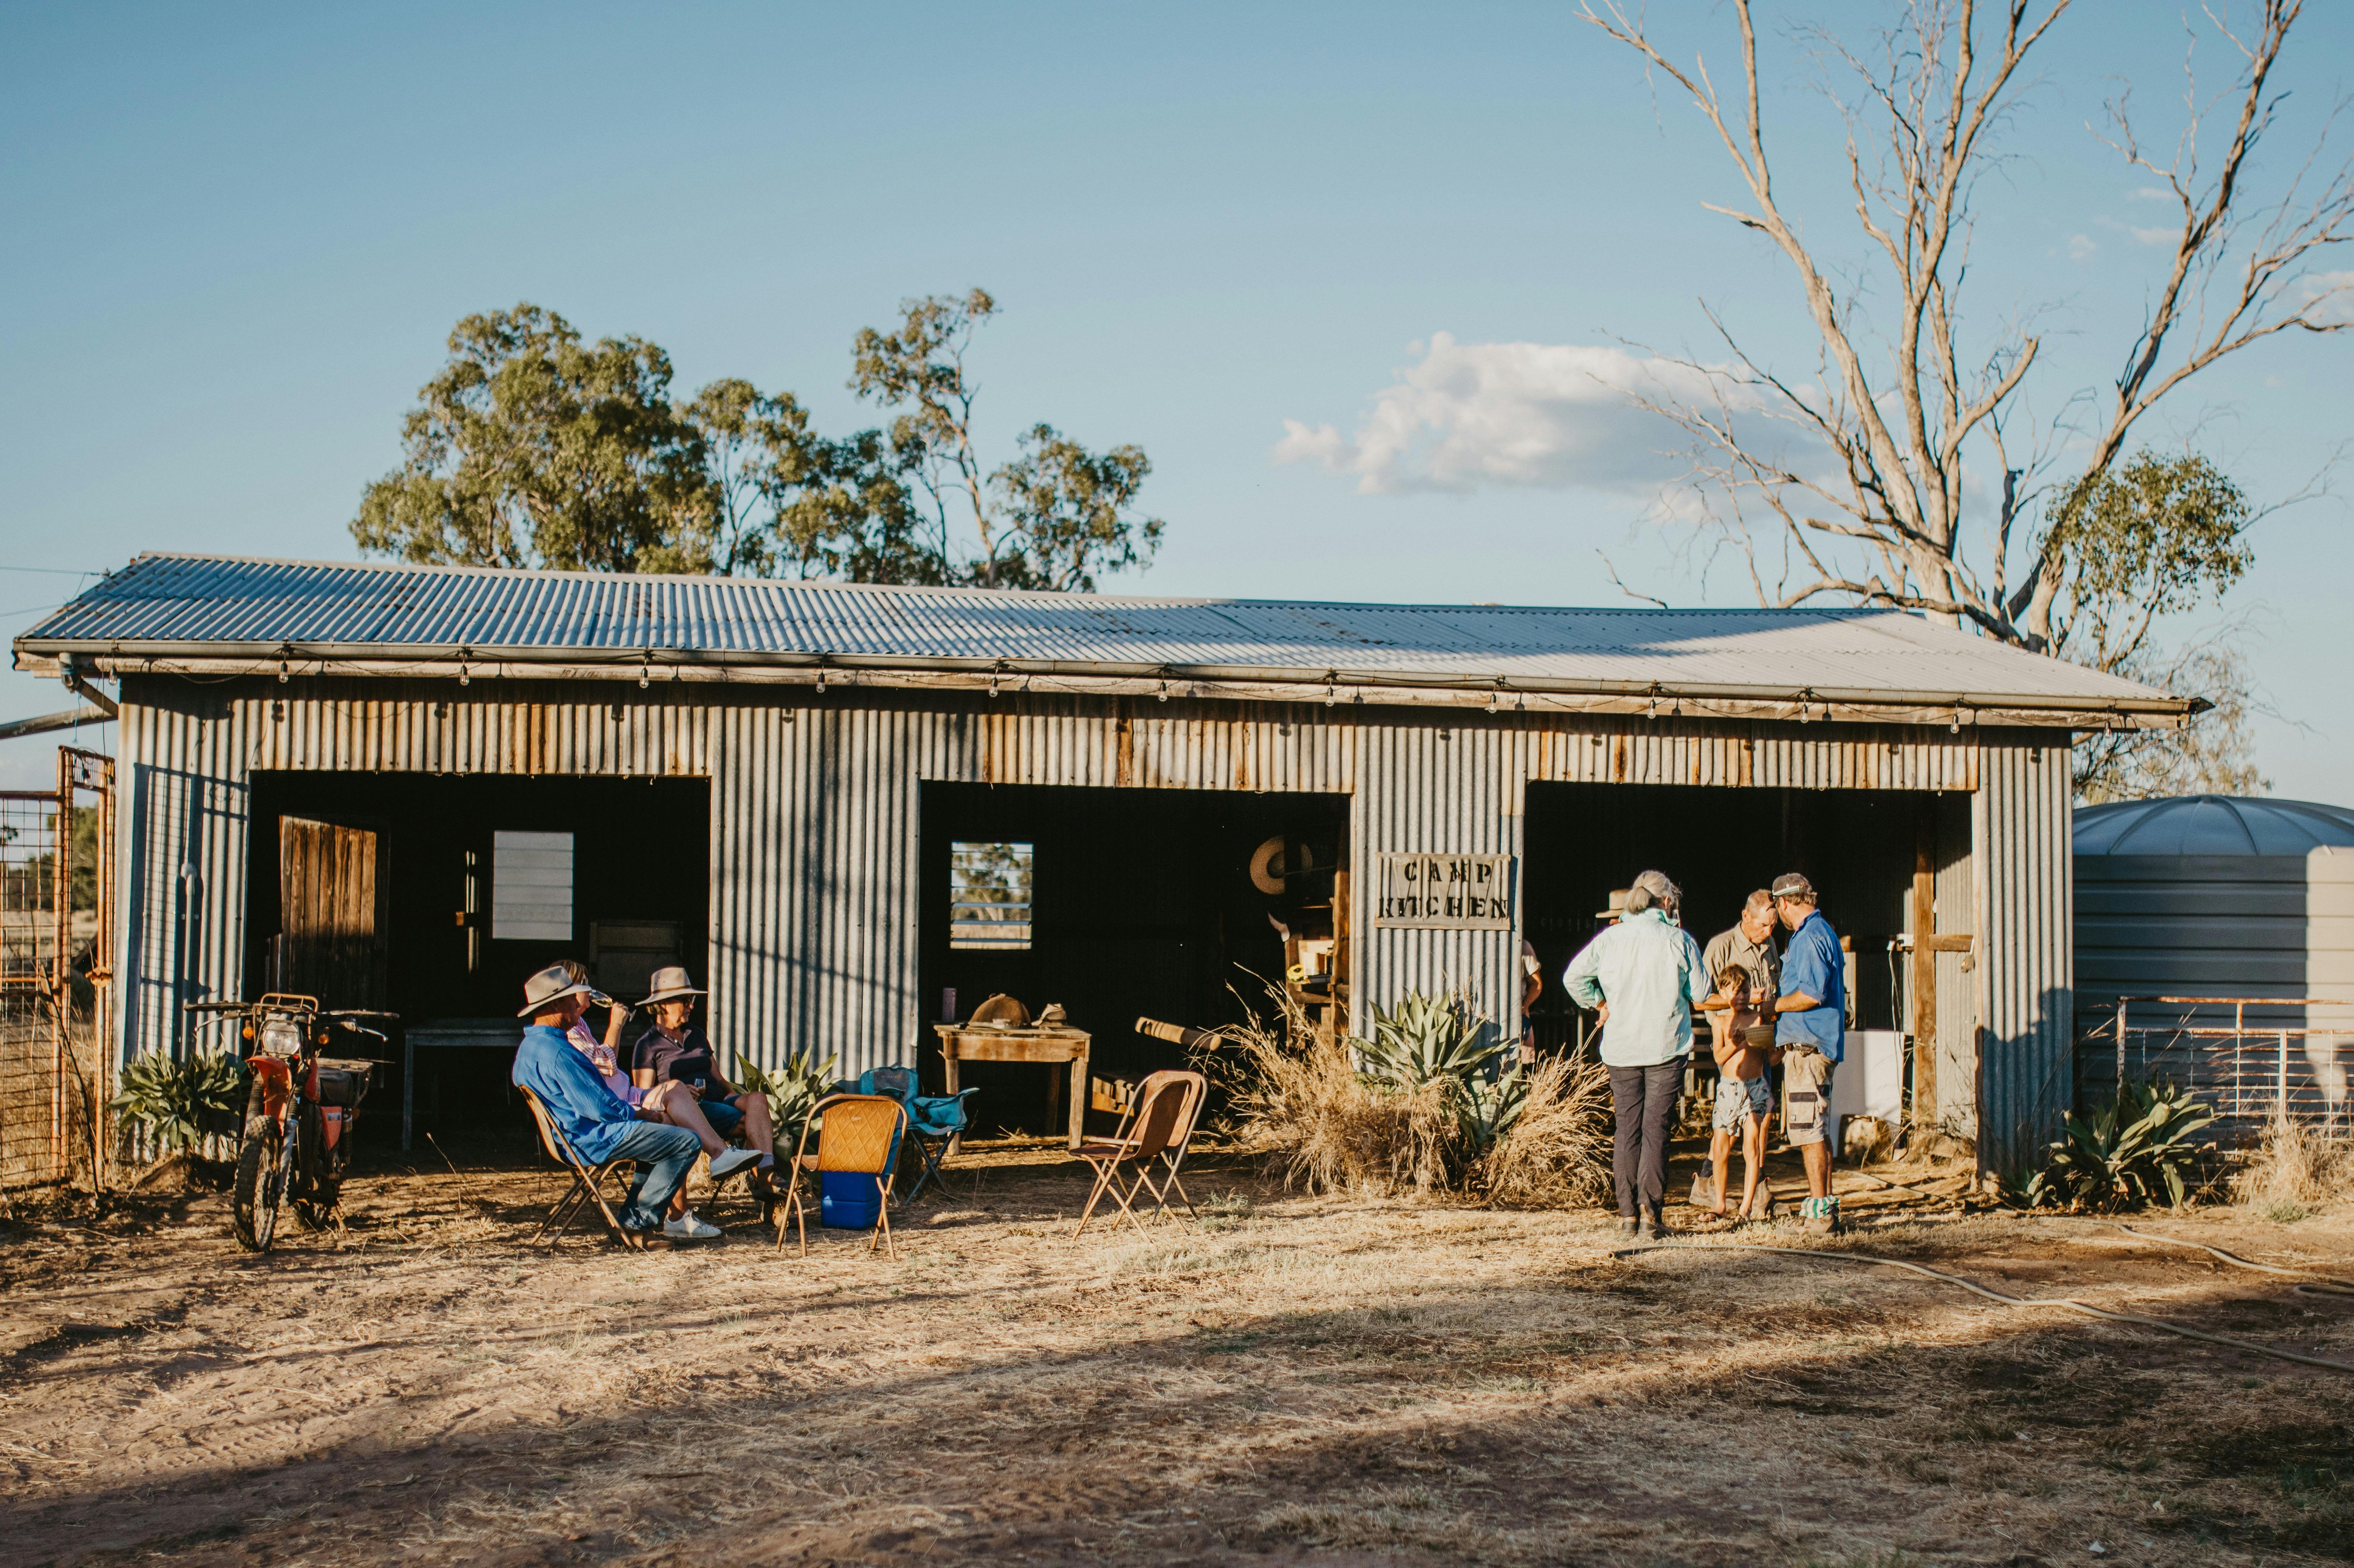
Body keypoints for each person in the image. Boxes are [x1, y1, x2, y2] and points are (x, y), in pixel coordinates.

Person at [510, 964, 757, 1240]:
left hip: (573, 1135)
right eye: (572, 999)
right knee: (685, 1141)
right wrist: (641, 1115)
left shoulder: (530, 1048)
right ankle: (636, 1224)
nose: (579, 1006)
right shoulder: (559, 1053)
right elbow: (600, 1108)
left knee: (665, 1134)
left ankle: (658, 1217)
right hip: (591, 1137)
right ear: (556, 1004)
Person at [1564, 869, 1709, 1240]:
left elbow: (1572, 978)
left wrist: (1598, 1001)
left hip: (1621, 1046)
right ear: (1666, 902)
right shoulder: (1678, 939)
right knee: (1656, 1130)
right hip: (1664, 1046)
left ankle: (1627, 1215)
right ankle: (1650, 1215)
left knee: (1626, 1129)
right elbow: (1701, 991)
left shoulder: (1610, 938)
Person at [630, 967, 777, 1174]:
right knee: (752, 1127)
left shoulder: (697, 1034)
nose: (691, 1006)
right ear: (663, 1004)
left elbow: (718, 1078)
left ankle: (767, 1173)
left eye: (692, 1000)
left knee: (758, 1100)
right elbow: (643, 1095)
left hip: (717, 1102)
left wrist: (732, 1093)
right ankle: (765, 1180)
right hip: (687, 1112)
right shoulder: (647, 1045)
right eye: (685, 1000)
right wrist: (676, 1090)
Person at [1769, 872, 1846, 1234]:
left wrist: (1773, 1007)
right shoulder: (1822, 931)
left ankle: (1820, 1217)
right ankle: (1823, 1206)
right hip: (1818, 1045)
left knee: (1808, 1131)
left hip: (1807, 1047)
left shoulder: (1809, 938)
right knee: (1818, 1128)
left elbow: (1811, 994)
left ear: (1784, 903)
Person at [1700, 964, 1775, 1222]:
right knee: (1721, 1148)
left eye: (1745, 991)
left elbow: (1773, 1058)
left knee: (1751, 1146)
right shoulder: (1720, 1022)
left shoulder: (1758, 1019)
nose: (1742, 997)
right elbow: (1719, 1057)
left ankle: (1746, 1208)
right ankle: (1719, 1205)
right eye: (1736, 992)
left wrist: (1781, 1042)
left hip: (1755, 1087)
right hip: (1728, 1089)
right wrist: (1737, 1042)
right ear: (1722, 993)